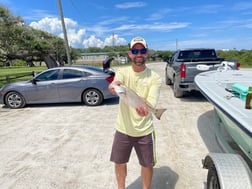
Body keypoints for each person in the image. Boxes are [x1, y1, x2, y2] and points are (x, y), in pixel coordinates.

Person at [108, 37, 162, 189]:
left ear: (147, 53)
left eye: (142, 50)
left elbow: (150, 102)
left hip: (145, 130)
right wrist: (113, 86)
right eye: (135, 51)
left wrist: (147, 110)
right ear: (130, 54)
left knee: (147, 164)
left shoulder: (155, 77)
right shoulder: (122, 72)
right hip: (123, 128)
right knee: (119, 162)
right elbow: (116, 83)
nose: (139, 54)